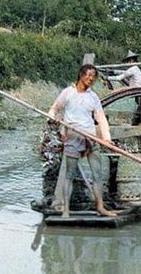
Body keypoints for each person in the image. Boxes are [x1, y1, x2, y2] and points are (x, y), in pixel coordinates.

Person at [47, 64, 116, 218]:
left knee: (97, 174)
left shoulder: (93, 97)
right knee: (70, 174)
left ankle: (100, 207)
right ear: (81, 75)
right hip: (73, 136)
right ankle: (66, 209)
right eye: (88, 75)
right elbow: (54, 109)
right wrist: (53, 118)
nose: (91, 79)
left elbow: (101, 119)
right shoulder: (68, 93)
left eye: (94, 77)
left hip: (90, 137)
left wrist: (106, 138)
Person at [104, 50, 141, 124]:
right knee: (139, 109)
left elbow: (119, 78)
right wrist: (113, 71)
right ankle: (138, 123)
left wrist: (107, 78)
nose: (127, 63)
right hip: (138, 92)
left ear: (132, 60)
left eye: (128, 61)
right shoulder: (134, 69)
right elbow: (124, 73)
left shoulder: (133, 69)